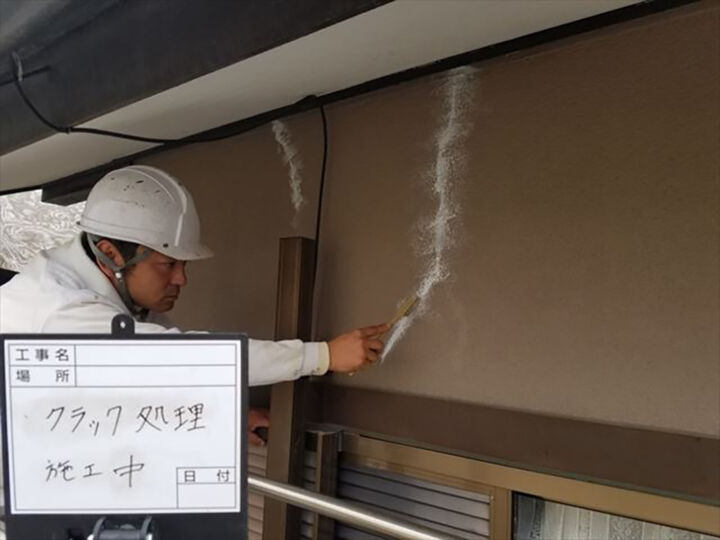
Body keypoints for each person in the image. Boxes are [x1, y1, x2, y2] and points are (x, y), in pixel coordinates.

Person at [0, 165, 388, 444]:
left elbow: (146, 375)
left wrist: (219, 416)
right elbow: (185, 358)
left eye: (184, 265)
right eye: (167, 265)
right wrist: (322, 356)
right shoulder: (62, 310)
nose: (181, 279)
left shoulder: (97, 285)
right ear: (111, 254)